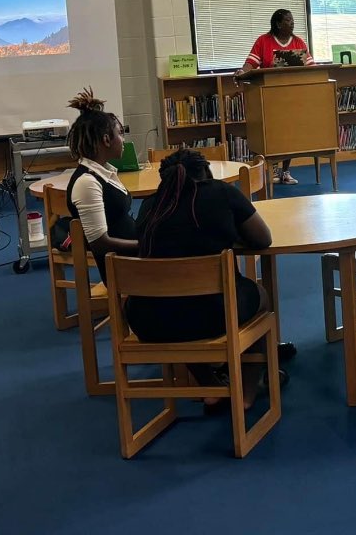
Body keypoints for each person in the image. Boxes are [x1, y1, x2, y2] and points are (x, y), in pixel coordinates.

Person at [129, 149, 284, 411]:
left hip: (146, 319)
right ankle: (246, 394)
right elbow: (262, 239)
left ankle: (210, 386)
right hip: (210, 315)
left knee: (178, 301)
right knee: (261, 297)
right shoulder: (222, 192)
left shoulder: (149, 205)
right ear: (206, 173)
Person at [64, 88, 137, 283]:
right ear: (106, 139)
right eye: (120, 134)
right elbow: (100, 244)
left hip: (135, 257)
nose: (123, 140)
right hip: (125, 267)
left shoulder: (103, 172)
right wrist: (145, 244)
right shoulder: (87, 182)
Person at [238, 8, 313, 185]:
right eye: (288, 20)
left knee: (289, 134)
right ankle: (270, 169)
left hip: (293, 96)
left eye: (292, 20)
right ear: (278, 23)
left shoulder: (298, 42)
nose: (292, 23)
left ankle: (285, 171)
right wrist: (242, 71)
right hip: (269, 97)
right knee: (271, 135)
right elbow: (251, 63)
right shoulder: (263, 41)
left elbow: (310, 65)